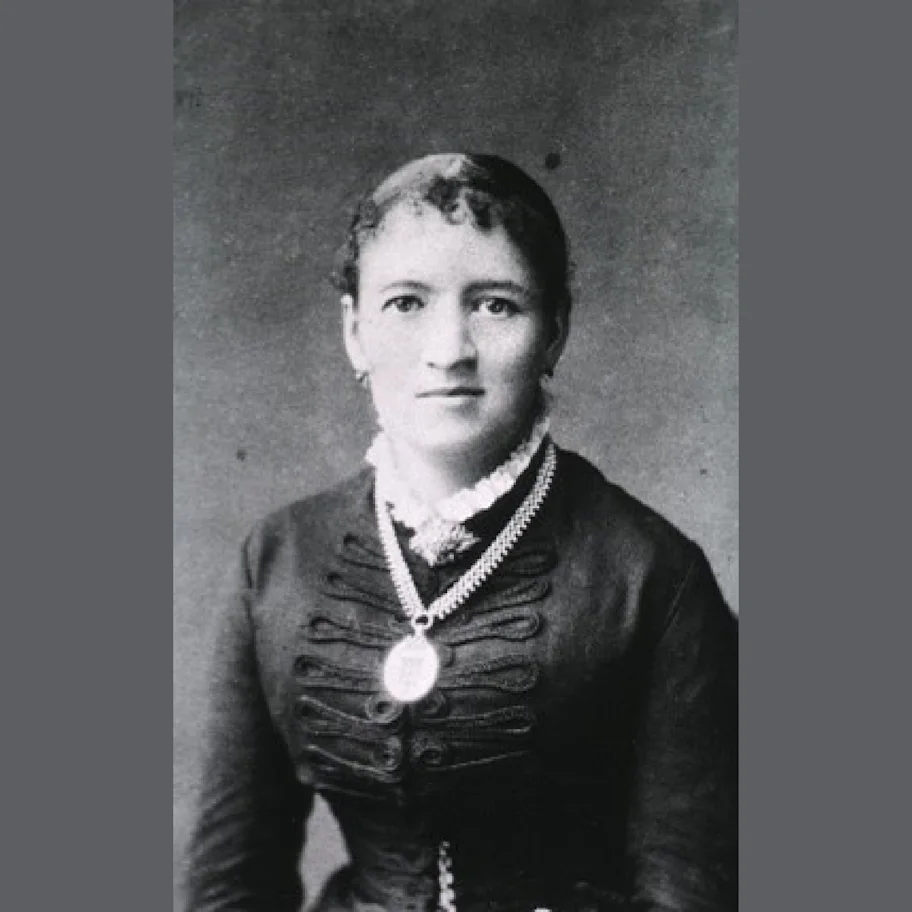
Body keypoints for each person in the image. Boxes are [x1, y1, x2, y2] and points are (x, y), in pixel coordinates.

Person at [183, 152, 738, 912]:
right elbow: (229, 881)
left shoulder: (651, 576)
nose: (449, 350)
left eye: (496, 305)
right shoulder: (279, 560)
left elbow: (689, 888)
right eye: (405, 304)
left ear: (554, 332)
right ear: (354, 331)